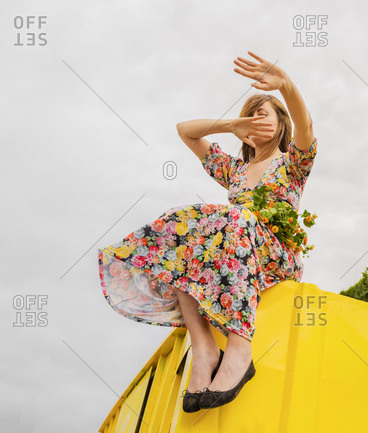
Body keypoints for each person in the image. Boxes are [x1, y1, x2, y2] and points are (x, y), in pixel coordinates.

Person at [96, 51, 317, 412]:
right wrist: (231, 124)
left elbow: (306, 128)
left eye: (264, 114)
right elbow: (185, 130)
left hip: (274, 257)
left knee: (237, 217)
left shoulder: (293, 163)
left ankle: (240, 348)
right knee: (185, 232)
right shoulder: (234, 171)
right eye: (251, 116)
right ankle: (204, 350)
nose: (255, 121)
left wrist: (287, 86)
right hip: (235, 253)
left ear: (281, 123)